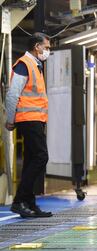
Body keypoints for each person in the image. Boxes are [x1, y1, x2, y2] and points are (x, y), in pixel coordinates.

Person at [5, 33, 51, 218]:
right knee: (41, 157)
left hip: (36, 120)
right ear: (37, 46)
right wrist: (10, 119)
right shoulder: (24, 64)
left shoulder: (36, 65)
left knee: (32, 160)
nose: (48, 50)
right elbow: (12, 94)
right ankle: (19, 201)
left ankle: (29, 204)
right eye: (46, 47)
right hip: (28, 119)